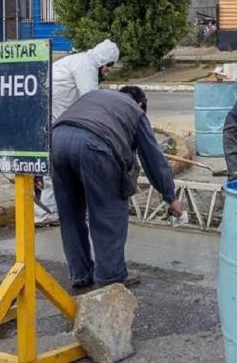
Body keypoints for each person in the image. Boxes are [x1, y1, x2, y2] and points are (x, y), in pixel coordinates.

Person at [51, 86, 182, 289]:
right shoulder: (135, 111)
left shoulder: (94, 95)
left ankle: (80, 274)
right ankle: (110, 277)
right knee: (107, 215)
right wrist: (170, 196)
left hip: (56, 141)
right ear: (141, 103)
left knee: (70, 215)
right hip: (95, 146)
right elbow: (153, 159)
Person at [36, 39, 120, 225]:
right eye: (108, 67)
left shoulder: (76, 60)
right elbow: (91, 101)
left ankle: (47, 211)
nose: (107, 71)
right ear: (103, 62)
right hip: (53, 118)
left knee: (53, 165)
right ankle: (46, 213)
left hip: (48, 114)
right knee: (56, 164)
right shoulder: (87, 66)